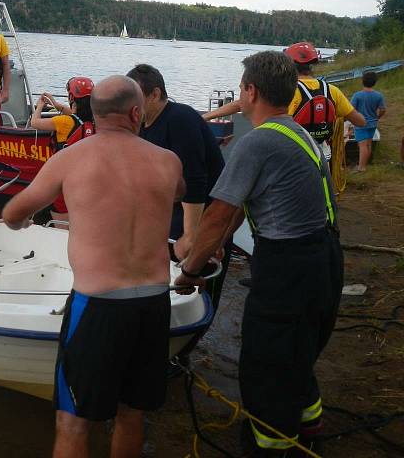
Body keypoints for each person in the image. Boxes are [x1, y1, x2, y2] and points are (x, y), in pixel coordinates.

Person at [2, 75, 184, 458]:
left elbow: (13, 213)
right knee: (131, 414)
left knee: (73, 421)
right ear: (136, 113)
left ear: (94, 114)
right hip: (153, 305)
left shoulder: (70, 159)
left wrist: (22, 222)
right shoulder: (168, 163)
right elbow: (181, 191)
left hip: (98, 307)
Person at [175, 51, 344, 456]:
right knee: (298, 352)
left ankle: (268, 448)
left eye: (240, 87)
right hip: (324, 257)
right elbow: (236, 211)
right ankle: (310, 425)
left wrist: (191, 269)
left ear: (250, 91)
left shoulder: (258, 142)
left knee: (267, 366)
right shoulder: (296, 131)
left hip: (287, 268)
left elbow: (217, 214)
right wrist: (214, 248)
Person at [126, 64, 229, 309]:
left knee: (196, 285)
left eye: (137, 98)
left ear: (155, 94)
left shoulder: (180, 118)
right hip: (170, 212)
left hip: (203, 214)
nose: (132, 106)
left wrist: (191, 235)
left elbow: (195, 179)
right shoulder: (141, 126)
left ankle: (196, 324)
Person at [203, 42, 365, 164]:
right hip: (322, 154)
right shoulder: (332, 90)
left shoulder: (290, 90)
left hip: (290, 154)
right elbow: (360, 121)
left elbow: (241, 103)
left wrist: (207, 116)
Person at [29, 76, 95, 225]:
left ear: (71, 97)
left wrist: (40, 105)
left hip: (63, 187)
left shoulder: (63, 122)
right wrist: (55, 103)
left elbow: (34, 122)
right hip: (85, 185)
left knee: (63, 229)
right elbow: (73, 115)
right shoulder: (94, 122)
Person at [350, 71, 386, 172]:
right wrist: (378, 117)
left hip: (360, 124)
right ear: (375, 82)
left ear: (362, 81)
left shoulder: (357, 95)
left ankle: (361, 167)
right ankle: (365, 163)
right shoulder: (378, 95)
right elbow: (383, 109)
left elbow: (351, 109)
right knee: (368, 144)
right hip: (373, 123)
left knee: (362, 146)